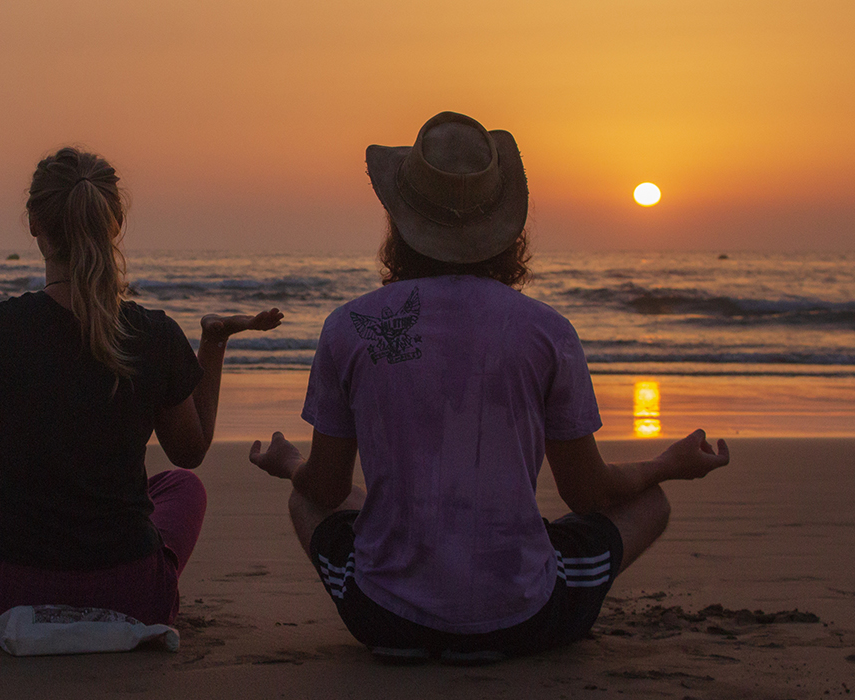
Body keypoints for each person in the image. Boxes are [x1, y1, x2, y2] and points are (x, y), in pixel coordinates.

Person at [249, 112, 730, 662]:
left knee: (309, 503)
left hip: (383, 617)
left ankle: (419, 607)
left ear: (399, 225)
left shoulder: (348, 327)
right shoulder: (548, 331)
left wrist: (288, 462)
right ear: (506, 229)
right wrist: (668, 464)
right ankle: (500, 601)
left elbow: (326, 490)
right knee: (652, 504)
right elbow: (590, 495)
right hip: (518, 618)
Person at [0, 147, 282, 626]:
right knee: (183, 485)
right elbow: (190, 451)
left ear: (34, 222)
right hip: (135, 595)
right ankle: (138, 582)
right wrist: (212, 344)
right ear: (114, 223)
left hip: (12, 591)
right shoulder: (154, 333)